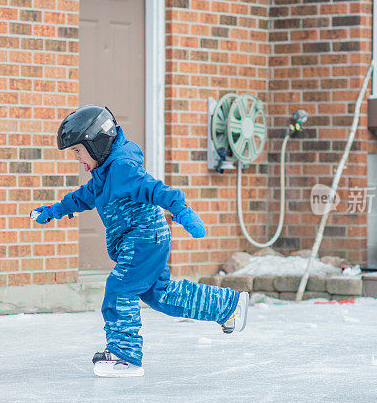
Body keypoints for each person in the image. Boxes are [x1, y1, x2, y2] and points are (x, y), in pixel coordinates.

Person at [31, 105, 248, 377]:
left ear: (96, 143)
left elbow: (157, 190)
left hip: (143, 237)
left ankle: (124, 355)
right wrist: (53, 211)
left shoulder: (123, 169)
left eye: (77, 150)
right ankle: (228, 306)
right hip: (147, 239)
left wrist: (182, 211)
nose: (75, 158)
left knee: (119, 289)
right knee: (160, 295)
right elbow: (84, 197)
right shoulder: (104, 174)